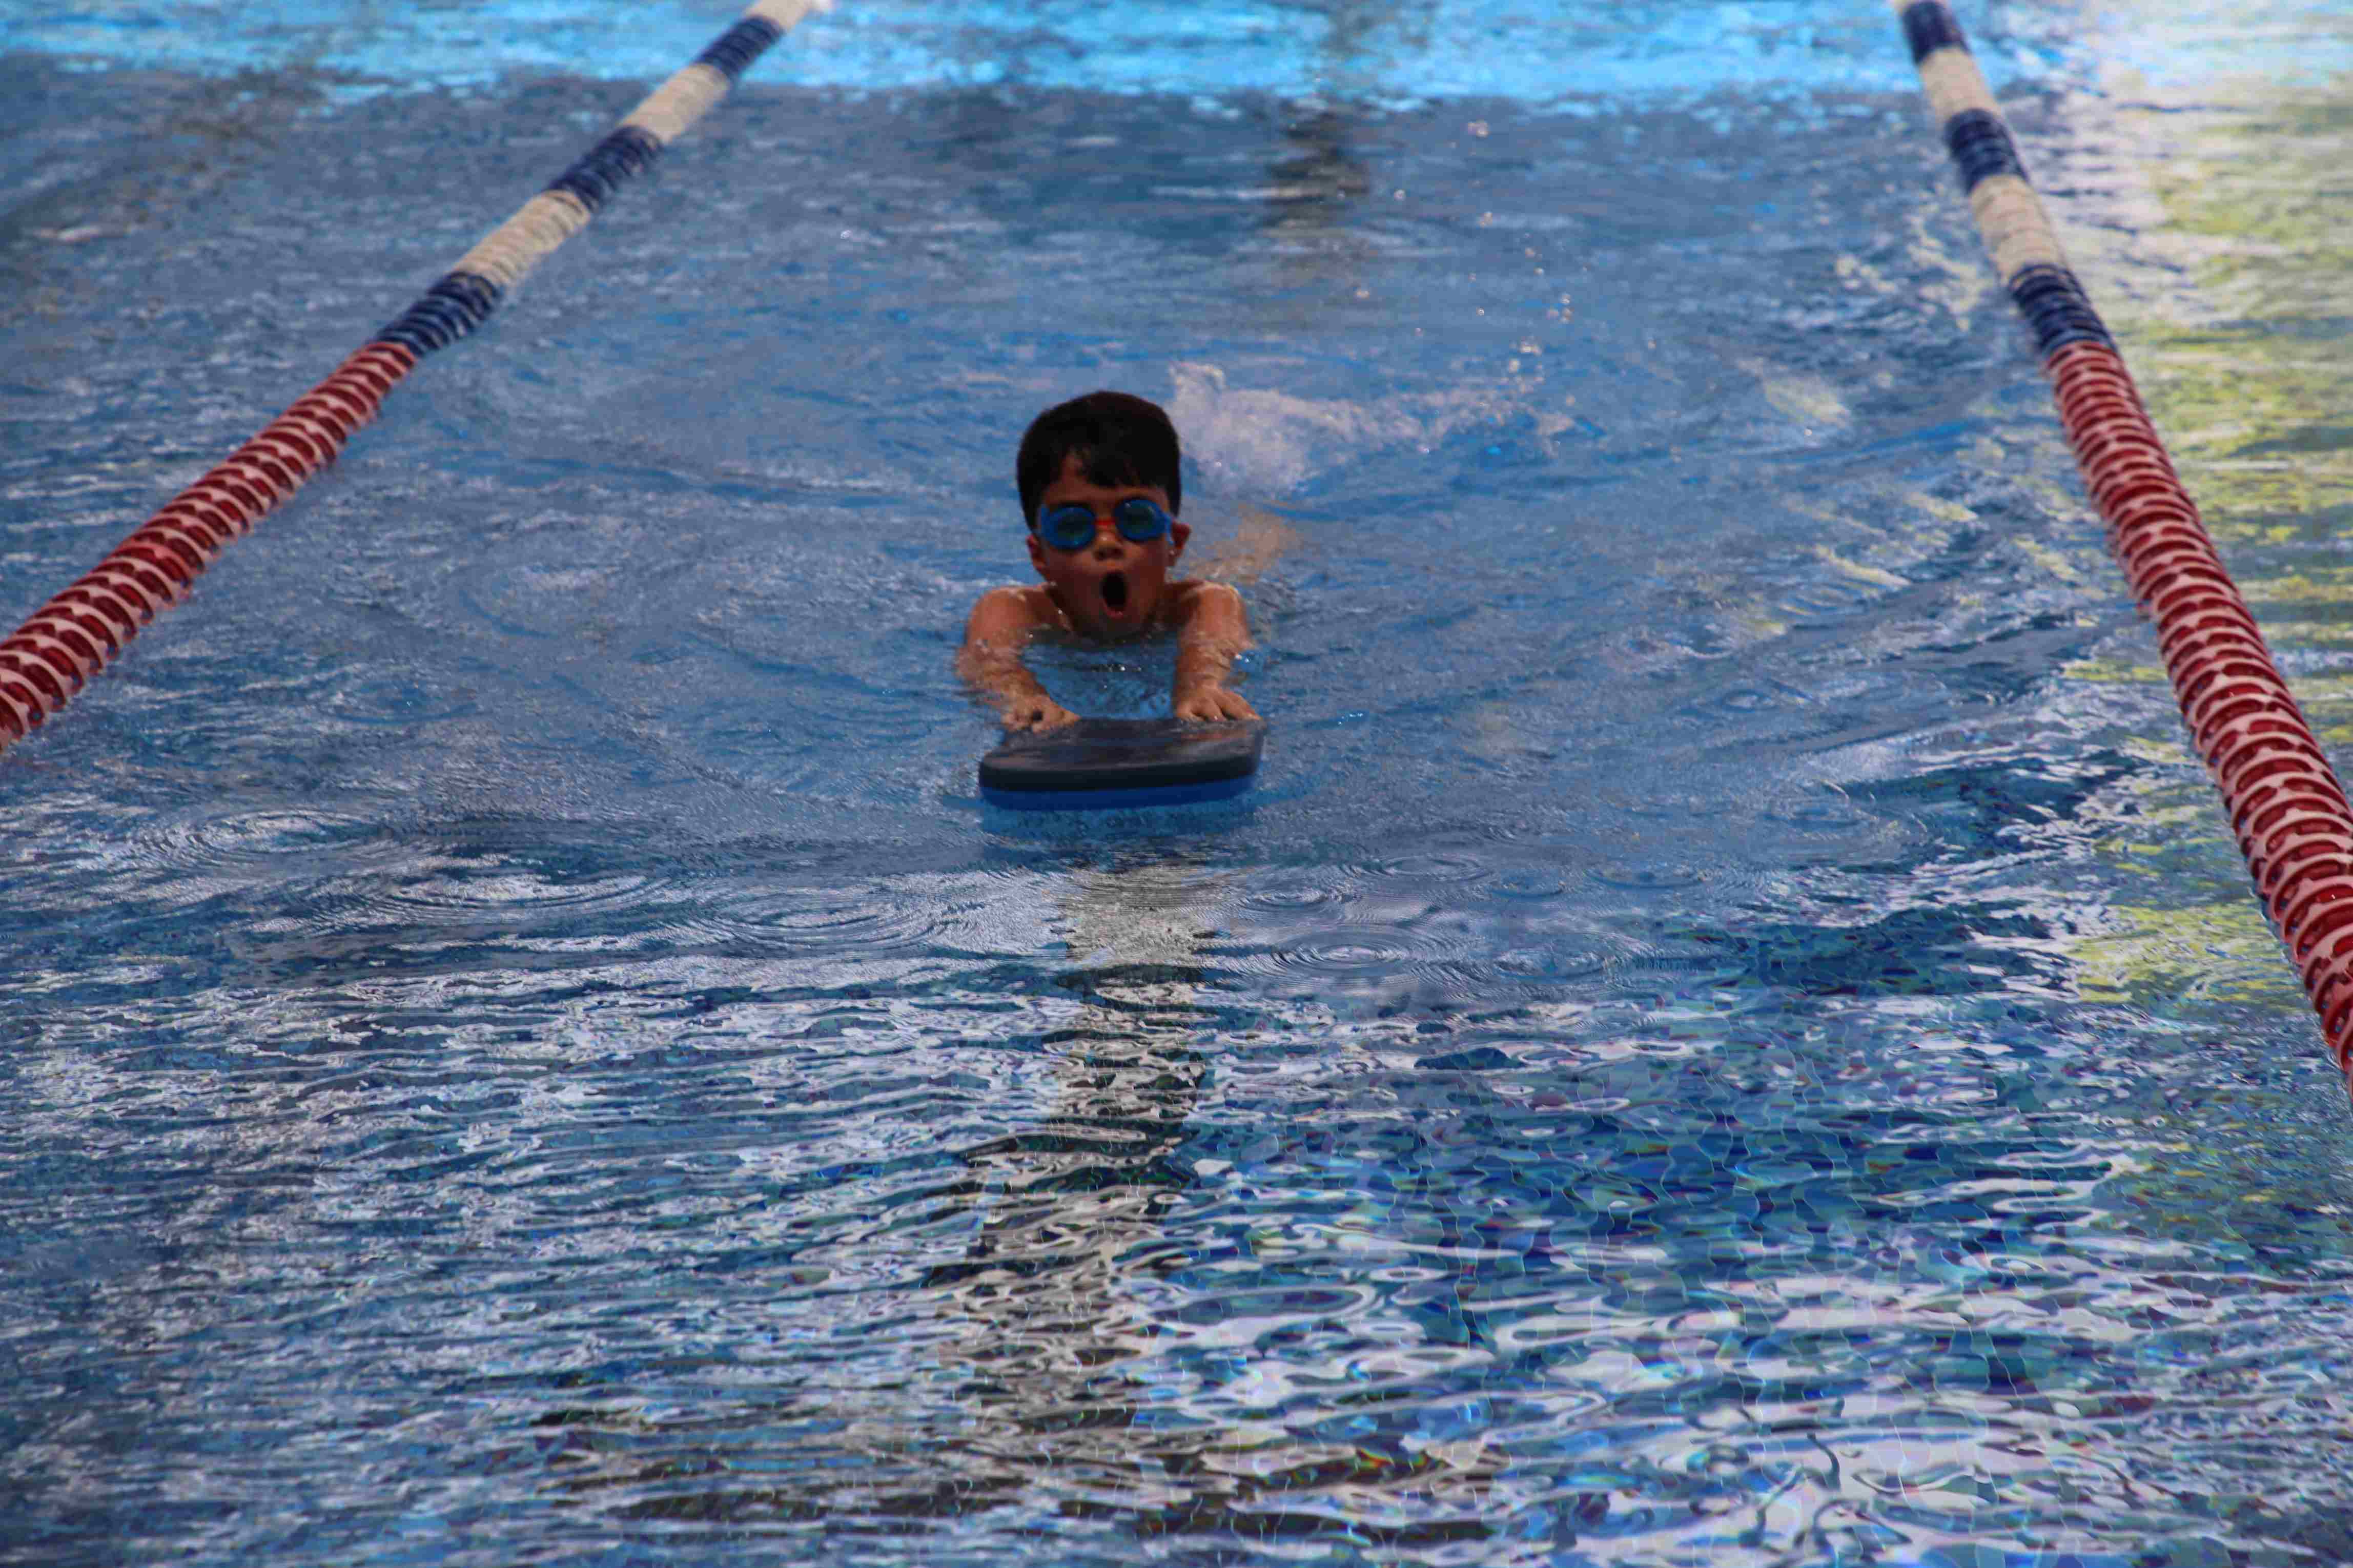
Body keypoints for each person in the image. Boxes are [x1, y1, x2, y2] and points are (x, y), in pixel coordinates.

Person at [959, 390, 1260, 732]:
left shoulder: (1203, 604)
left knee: (1243, 565)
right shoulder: (1016, 608)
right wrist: (1021, 696)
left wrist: (1200, 689)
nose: (1107, 543)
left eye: (1136, 520)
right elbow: (989, 665)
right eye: (1073, 526)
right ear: (1040, 555)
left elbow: (1211, 652)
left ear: (1173, 542)